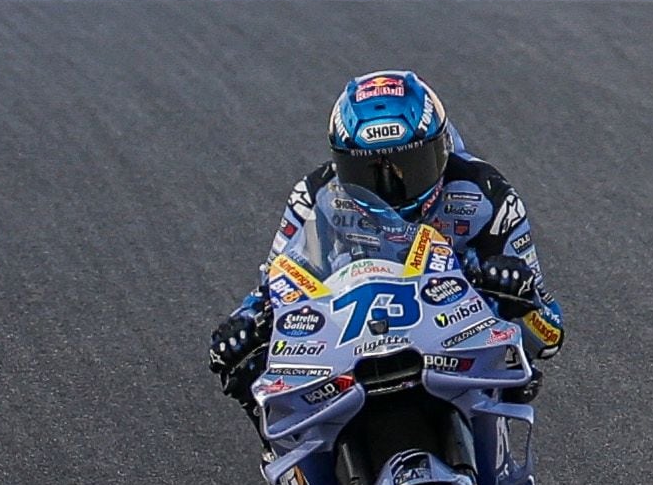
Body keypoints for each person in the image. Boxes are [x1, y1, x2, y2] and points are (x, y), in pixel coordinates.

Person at [209, 71, 566, 402]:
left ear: (440, 150)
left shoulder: (487, 196)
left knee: (519, 376)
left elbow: (550, 334)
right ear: (340, 164)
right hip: (347, 347)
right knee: (244, 370)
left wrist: (519, 297)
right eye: (368, 172)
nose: (389, 188)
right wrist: (243, 327)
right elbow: (273, 286)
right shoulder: (314, 195)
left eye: (407, 167)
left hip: (456, 350)